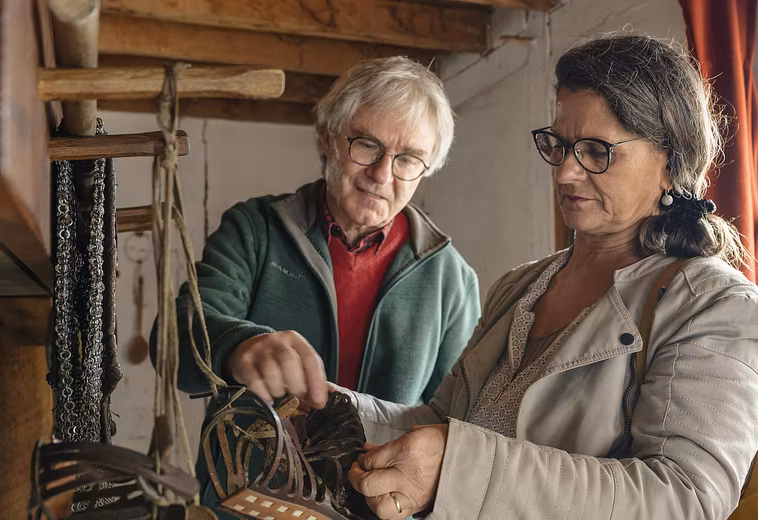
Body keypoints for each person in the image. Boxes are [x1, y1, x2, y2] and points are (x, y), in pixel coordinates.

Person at [331, 34, 758, 519]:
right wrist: (328, 407)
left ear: (670, 163)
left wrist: (458, 469)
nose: (565, 173)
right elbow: (437, 424)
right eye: (560, 145)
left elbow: (683, 499)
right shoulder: (520, 288)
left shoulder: (715, 306)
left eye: (596, 151)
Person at [152, 56, 480, 512]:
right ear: (328, 137)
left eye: (407, 159)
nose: (382, 174)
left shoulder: (453, 280)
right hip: (246, 504)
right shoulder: (255, 230)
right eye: (367, 145)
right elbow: (172, 339)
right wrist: (239, 346)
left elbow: (456, 428)